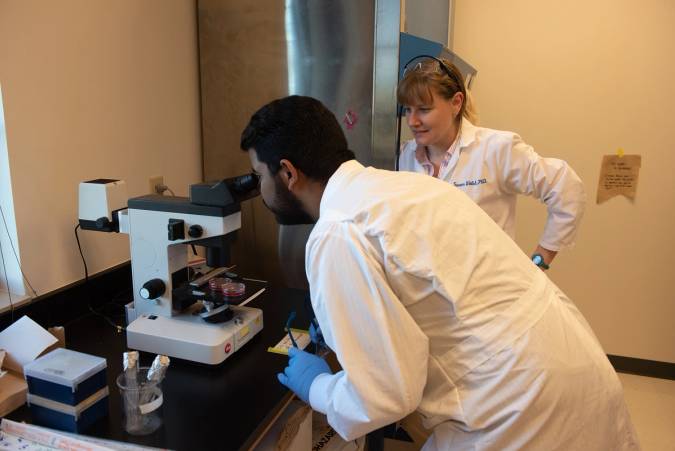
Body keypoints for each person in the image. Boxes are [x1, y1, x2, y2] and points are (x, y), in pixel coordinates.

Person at [240, 95, 639, 450]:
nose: (260, 190)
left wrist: (319, 387)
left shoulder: (336, 231)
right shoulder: (409, 187)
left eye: (260, 176)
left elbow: (384, 395)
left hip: (518, 411)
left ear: (288, 173)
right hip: (575, 366)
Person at [397, 58, 586, 270]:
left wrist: (539, 262)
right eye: (407, 110)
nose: (412, 121)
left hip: (488, 293)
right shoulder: (403, 157)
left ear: (456, 103)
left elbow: (567, 188)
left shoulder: (495, 149)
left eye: (423, 109)